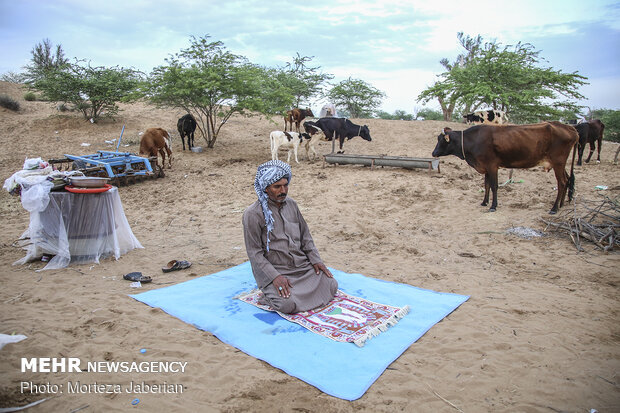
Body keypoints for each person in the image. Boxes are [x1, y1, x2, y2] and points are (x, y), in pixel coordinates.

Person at [242, 160, 338, 314]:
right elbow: (255, 253)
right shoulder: (252, 214)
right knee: (287, 304)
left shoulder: (291, 204)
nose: (283, 190)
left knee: (331, 284)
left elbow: (305, 236)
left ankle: (297, 289)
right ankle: (268, 295)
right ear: (265, 188)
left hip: (301, 267)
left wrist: (316, 260)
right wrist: (275, 277)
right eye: (277, 187)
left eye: (285, 185)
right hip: (277, 270)